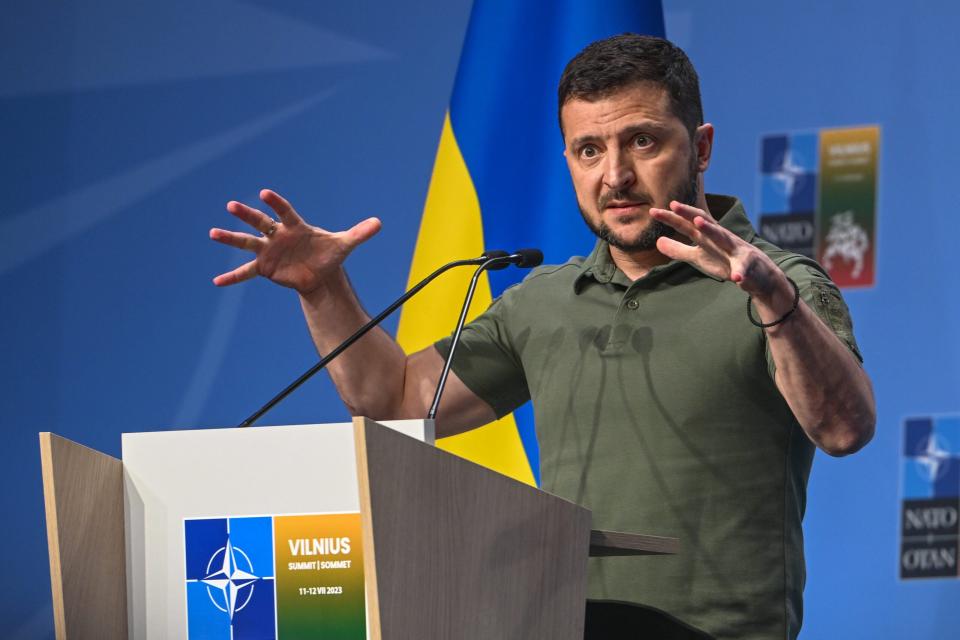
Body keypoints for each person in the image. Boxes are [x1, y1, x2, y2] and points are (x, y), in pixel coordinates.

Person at [210, 34, 875, 640]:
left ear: (699, 147)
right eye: (590, 150)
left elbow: (844, 429)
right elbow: (396, 400)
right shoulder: (545, 302)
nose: (613, 176)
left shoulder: (778, 284)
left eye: (642, 142)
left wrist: (774, 302)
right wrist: (324, 291)